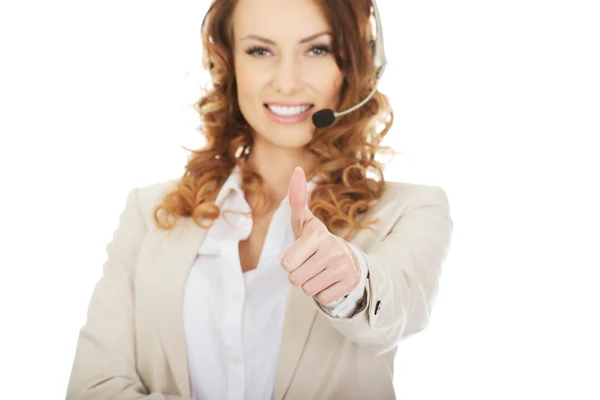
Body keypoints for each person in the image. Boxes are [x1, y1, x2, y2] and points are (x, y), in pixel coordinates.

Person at [66, 0, 453, 398]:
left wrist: (352, 283)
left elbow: (400, 306)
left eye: (316, 49)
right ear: (227, 63)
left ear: (354, 65)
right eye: (260, 50)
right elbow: (92, 388)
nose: (286, 82)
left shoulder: (413, 211)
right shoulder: (147, 214)